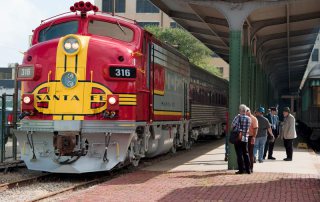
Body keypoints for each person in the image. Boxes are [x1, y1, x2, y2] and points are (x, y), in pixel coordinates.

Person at [231, 104, 252, 174]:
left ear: (240, 110)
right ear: (245, 111)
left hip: (238, 138)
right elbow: (248, 127)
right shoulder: (249, 118)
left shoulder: (237, 117)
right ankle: (248, 169)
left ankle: (241, 170)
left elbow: (232, 125)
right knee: (246, 153)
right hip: (245, 138)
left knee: (239, 154)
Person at [246, 108, 258, 173]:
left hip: (250, 137)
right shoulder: (244, 117)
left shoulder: (253, 119)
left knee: (250, 153)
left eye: (247, 113)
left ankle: (251, 168)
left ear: (249, 112)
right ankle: (246, 167)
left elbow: (256, 129)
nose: (246, 114)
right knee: (245, 153)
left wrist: (254, 137)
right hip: (245, 137)